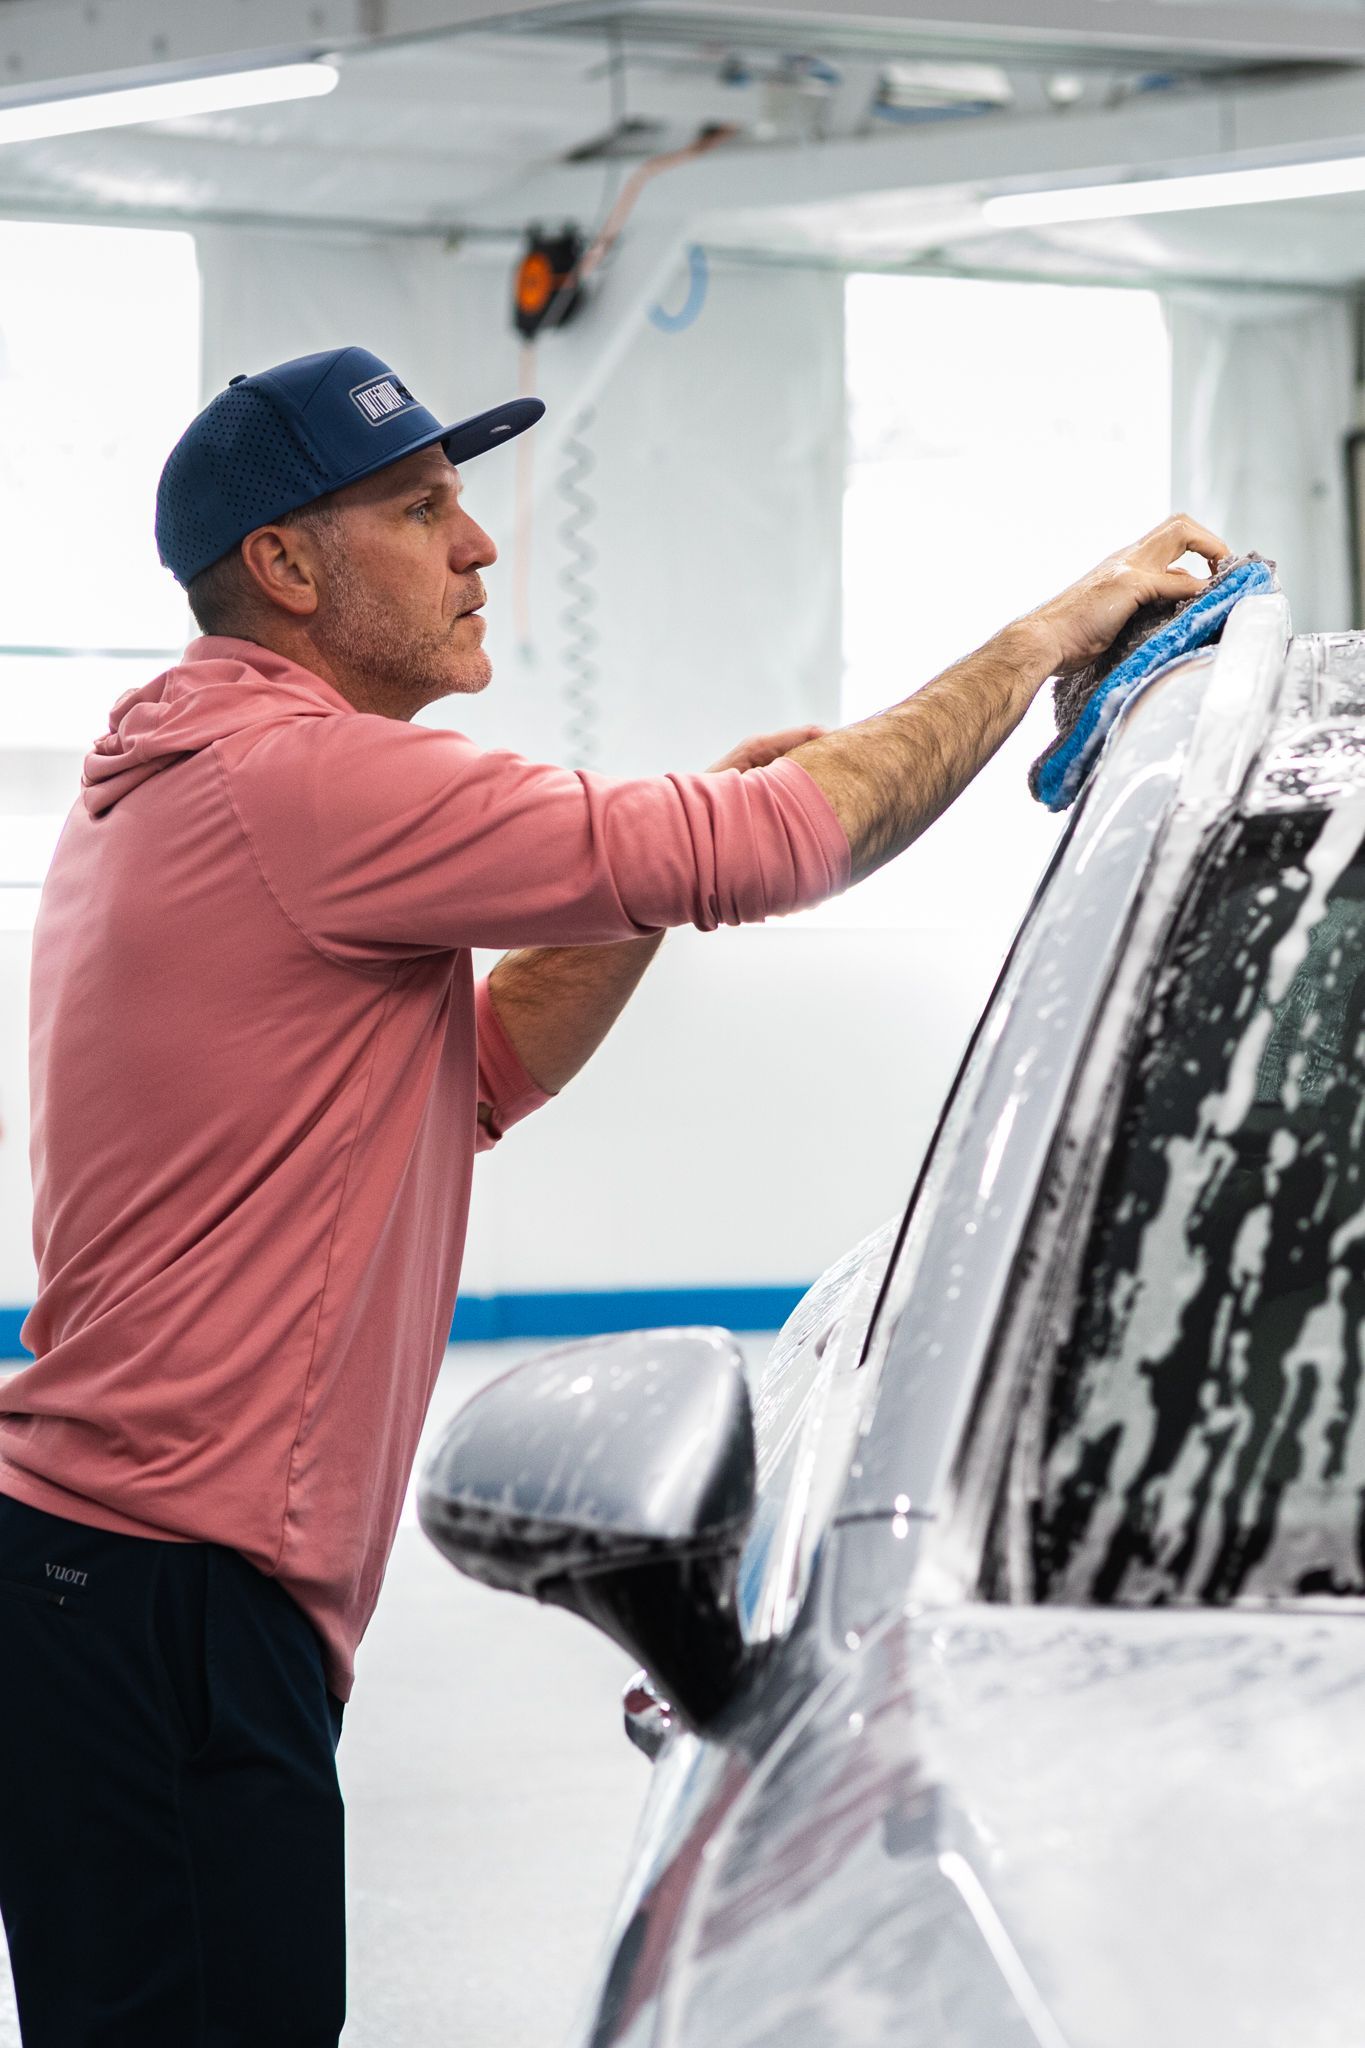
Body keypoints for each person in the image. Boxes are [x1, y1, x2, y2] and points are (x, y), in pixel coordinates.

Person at [0, 342, 1229, 2046]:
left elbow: (479, 1072)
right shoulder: (305, 782)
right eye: (421, 508)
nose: (478, 544)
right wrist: (1037, 643)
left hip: (123, 1584)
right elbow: (779, 849)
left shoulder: (219, 779)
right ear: (283, 567)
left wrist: (634, 880)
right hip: (167, 1597)